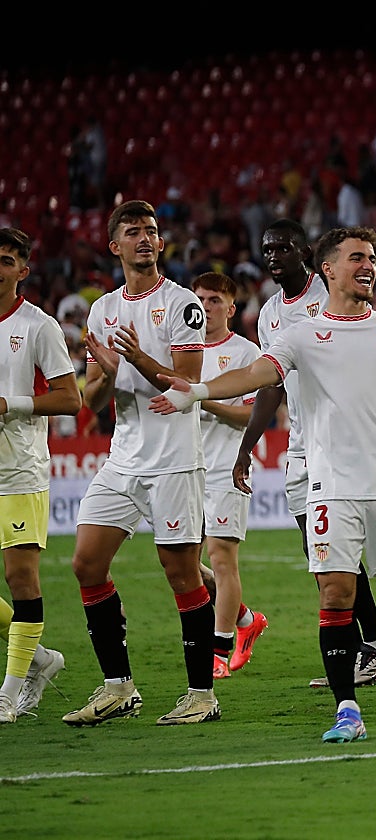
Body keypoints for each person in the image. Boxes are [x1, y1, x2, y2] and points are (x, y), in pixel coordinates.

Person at [151, 225, 376, 742]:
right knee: (336, 592)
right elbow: (258, 375)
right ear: (328, 268)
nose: (367, 265)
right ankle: (347, 707)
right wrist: (198, 391)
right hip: (331, 486)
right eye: (355, 258)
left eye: (370, 257)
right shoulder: (299, 334)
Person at [63, 200, 219, 727]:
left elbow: (186, 384)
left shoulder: (183, 304)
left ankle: (202, 695)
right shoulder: (102, 310)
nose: (146, 238)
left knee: (180, 574)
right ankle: (118, 687)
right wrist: (106, 372)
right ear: (115, 246)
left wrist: (133, 358)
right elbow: (91, 396)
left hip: (175, 459)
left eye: (152, 231)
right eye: (134, 232)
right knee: (86, 563)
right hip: (125, 456)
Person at [232, 219, 376, 689]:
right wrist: (247, 447)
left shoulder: (332, 296)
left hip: (343, 442)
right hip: (301, 445)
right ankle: (374, 645)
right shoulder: (268, 315)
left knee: (351, 552)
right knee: (317, 550)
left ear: (305, 251)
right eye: (267, 248)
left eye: (283, 247)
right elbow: (271, 383)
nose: (274, 255)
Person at [0, 227, 80, 722]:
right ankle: (40, 659)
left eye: (7, 260)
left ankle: (8, 690)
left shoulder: (38, 326)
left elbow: (69, 398)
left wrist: (11, 405)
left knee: (19, 577)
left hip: (18, 471)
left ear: (23, 271)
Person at [190, 272, 268, 680]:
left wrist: (204, 400)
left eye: (215, 300)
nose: (205, 306)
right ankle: (244, 618)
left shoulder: (245, 352)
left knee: (221, 558)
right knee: (183, 562)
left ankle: (218, 650)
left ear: (231, 308)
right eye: (200, 298)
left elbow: (254, 414)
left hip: (226, 465)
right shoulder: (181, 350)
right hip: (184, 466)